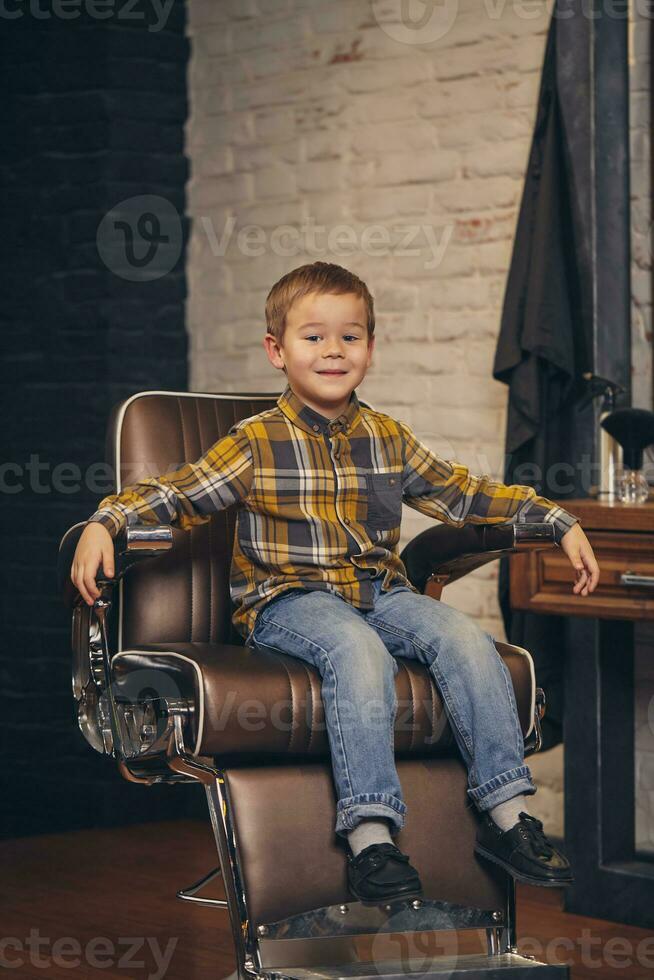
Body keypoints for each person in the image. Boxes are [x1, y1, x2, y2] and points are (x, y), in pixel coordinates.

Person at [71, 261, 600, 906]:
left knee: (467, 640)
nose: (333, 351)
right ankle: (371, 837)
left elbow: (465, 493)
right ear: (277, 351)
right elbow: (178, 494)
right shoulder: (256, 441)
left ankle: (507, 818)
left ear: (370, 349)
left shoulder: (388, 438)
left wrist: (554, 519)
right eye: (313, 337)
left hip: (381, 593)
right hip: (288, 601)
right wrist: (107, 520)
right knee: (356, 650)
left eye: (350, 337)